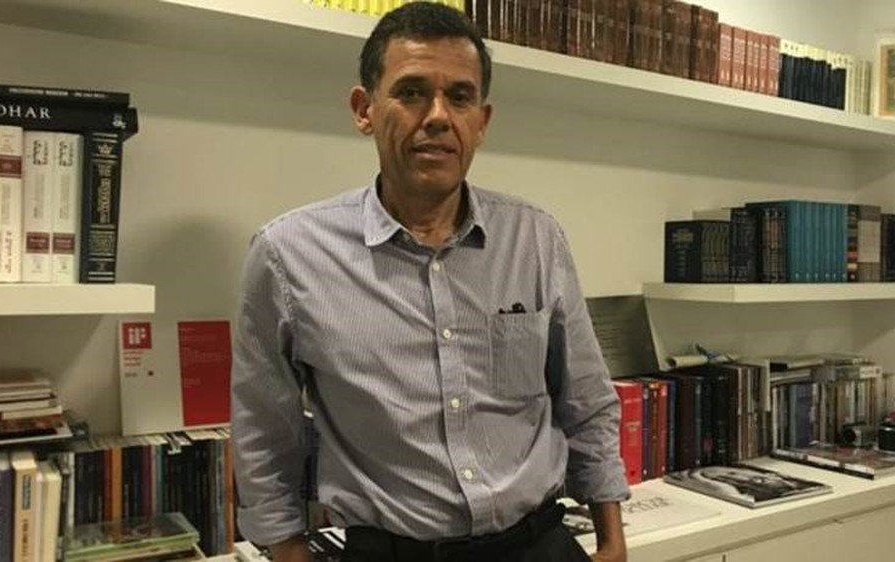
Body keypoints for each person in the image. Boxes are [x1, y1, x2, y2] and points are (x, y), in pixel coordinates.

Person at [231, 3, 629, 561]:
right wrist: (288, 553)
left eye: (460, 97)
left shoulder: (535, 239)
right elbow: (264, 434)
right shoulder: (287, 255)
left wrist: (612, 539)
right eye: (412, 92)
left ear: (481, 122)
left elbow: (585, 399)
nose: (438, 116)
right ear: (364, 109)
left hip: (539, 545)